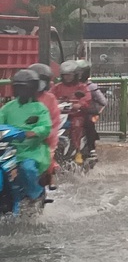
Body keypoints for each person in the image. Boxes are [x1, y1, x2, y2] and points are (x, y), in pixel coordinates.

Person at [0, 70, 52, 207]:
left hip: (31, 150)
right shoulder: (8, 107)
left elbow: (46, 126)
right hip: (8, 149)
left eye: (24, 87)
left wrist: (33, 132)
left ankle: (35, 194)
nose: (21, 91)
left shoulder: (40, 108)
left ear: (32, 89)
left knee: (27, 168)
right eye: (18, 87)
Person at [51, 60, 93, 164]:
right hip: (59, 115)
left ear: (76, 75)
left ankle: (78, 151)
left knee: (76, 126)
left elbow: (87, 98)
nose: (67, 78)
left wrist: (79, 104)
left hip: (76, 115)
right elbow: (50, 96)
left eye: (70, 75)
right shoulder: (57, 87)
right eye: (65, 75)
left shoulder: (82, 87)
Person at [29, 63, 60, 180]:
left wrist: (46, 134)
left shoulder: (49, 98)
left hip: (44, 135)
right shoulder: (22, 99)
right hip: (25, 136)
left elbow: (54, 121)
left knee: (47, 158)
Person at [76, 60, 107, 159]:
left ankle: (91, 148)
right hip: (71, 113)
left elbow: (103, 102)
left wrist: (95, 111)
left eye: (81, 72)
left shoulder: (91, 87)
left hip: (86, 113)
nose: (78, 75)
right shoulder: (67, 86)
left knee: (89, 124)